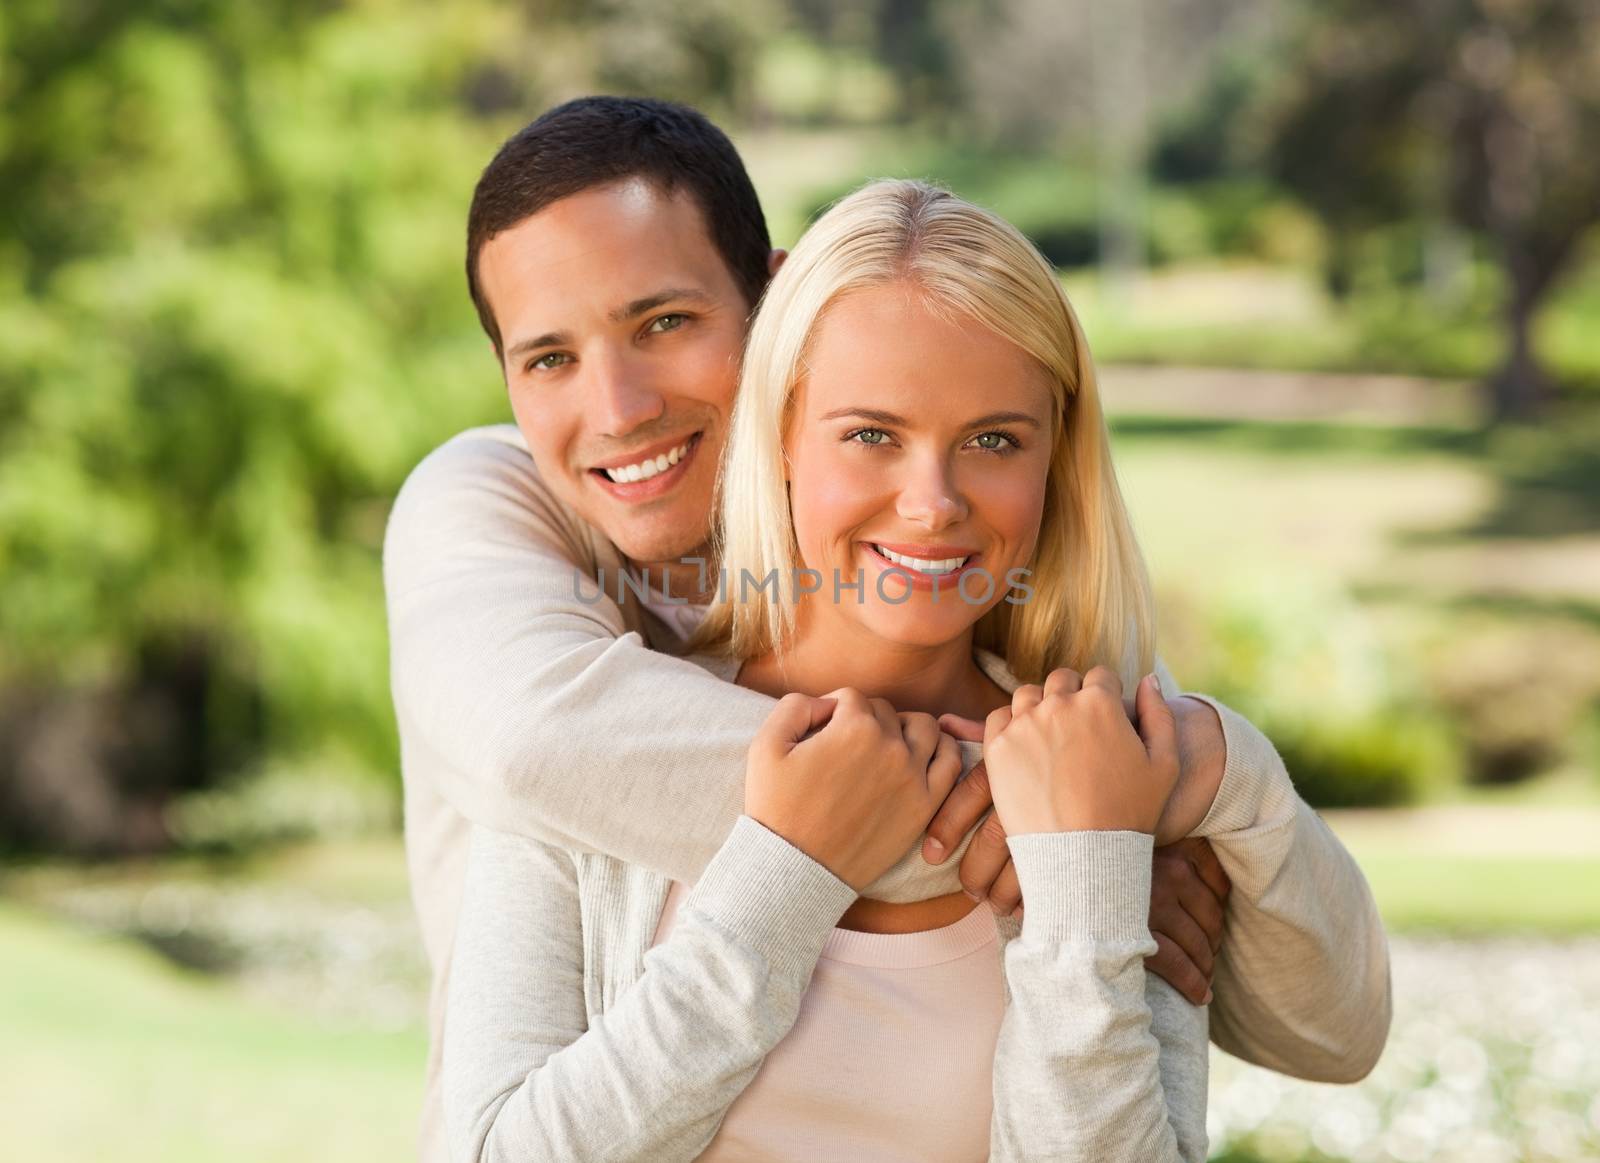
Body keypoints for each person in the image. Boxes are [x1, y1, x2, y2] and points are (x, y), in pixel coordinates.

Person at [384, 97, 1391, 1162]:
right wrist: (993, 826)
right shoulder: (550, 668)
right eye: (870, 433)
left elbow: (1331, 1024)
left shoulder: (1086, 756)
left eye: (662, 322)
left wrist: (1156, 805)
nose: (619, 404)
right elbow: (532, 745)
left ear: (770, 314)